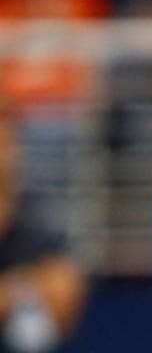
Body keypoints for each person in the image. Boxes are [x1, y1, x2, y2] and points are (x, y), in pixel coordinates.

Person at [0, 103, 88, 352]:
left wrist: (16, 293)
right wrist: (22, 287)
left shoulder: (39, 217)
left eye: (5, 145)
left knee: (31, 323)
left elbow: (65, 293)